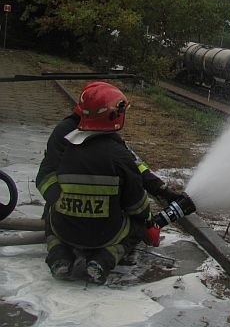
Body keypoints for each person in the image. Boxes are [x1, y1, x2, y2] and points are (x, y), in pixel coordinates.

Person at [36, 82, 180, 284]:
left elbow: (133, 165)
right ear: (114, 114)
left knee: (52, 222)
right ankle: (103, 261)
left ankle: (59, 256)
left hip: (66, 226)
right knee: (134, 229)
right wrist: (147, 223)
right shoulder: (67, 134)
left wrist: (161, 189)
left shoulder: (74, 144)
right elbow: (135, 200)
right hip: (104, 230)